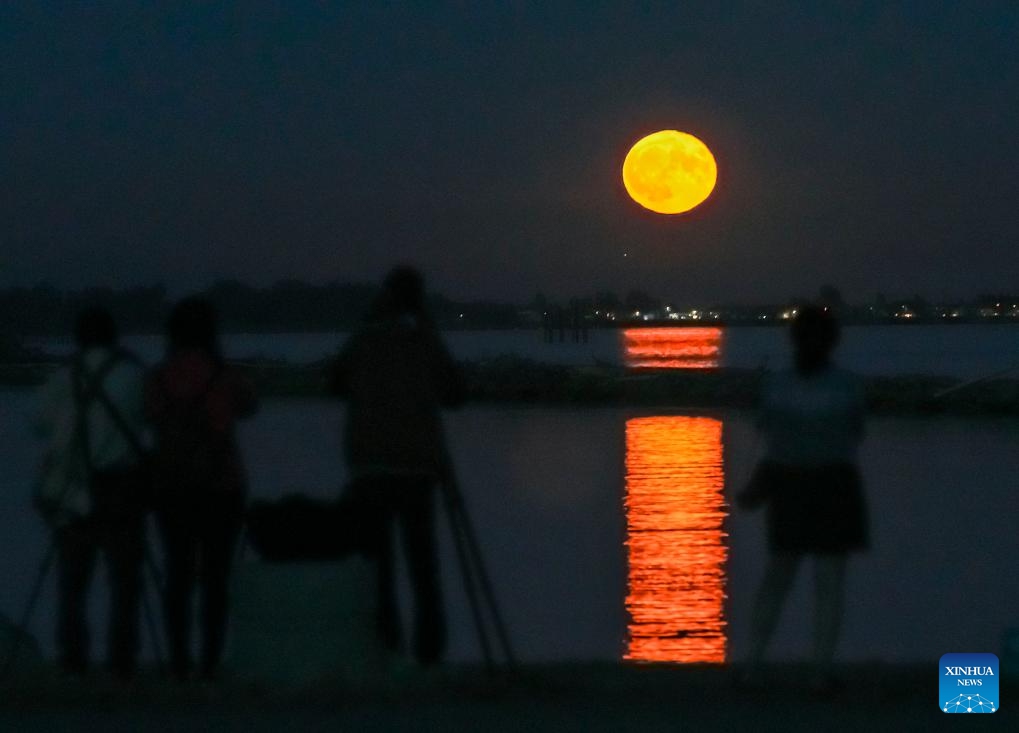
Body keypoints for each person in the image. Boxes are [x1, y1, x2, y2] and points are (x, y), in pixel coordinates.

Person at [330, 266, 465, 666]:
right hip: (416, 469)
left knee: (379, 567)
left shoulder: (363, 341)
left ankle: (386, 650)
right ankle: (428, 656)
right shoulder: (422, 341)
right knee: (423, 568)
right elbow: (455, 393)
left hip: (370, 468)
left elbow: (336, 383)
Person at [737, 304, 868, 693]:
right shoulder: (846, 386)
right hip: (835, 485)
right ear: (833, 342)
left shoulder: (776, 386)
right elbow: (855, 433)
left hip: (788, 485)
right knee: (828, 583)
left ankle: (752, 666)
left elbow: (767, 442)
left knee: (777, 579)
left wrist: (755, 487)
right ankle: (819, 672)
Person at [145, 298, 257, 681]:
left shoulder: (158, 378)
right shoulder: (225, 377)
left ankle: (179, 662)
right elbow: (249, 405)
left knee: (176, 575)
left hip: (171, 488)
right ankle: (209, 663)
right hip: (221, 487)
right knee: (216, 577)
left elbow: (149, 416)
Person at [34, 307, 148, 678]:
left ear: (78, 339)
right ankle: (122, 661)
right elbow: (148, 418)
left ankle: (73, 657)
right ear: (114, 337)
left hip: (74, 489)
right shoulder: (134, 375)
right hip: (122, 488)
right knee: (125, 580)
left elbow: (40, 425)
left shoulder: (62, 377)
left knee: (72, 580)